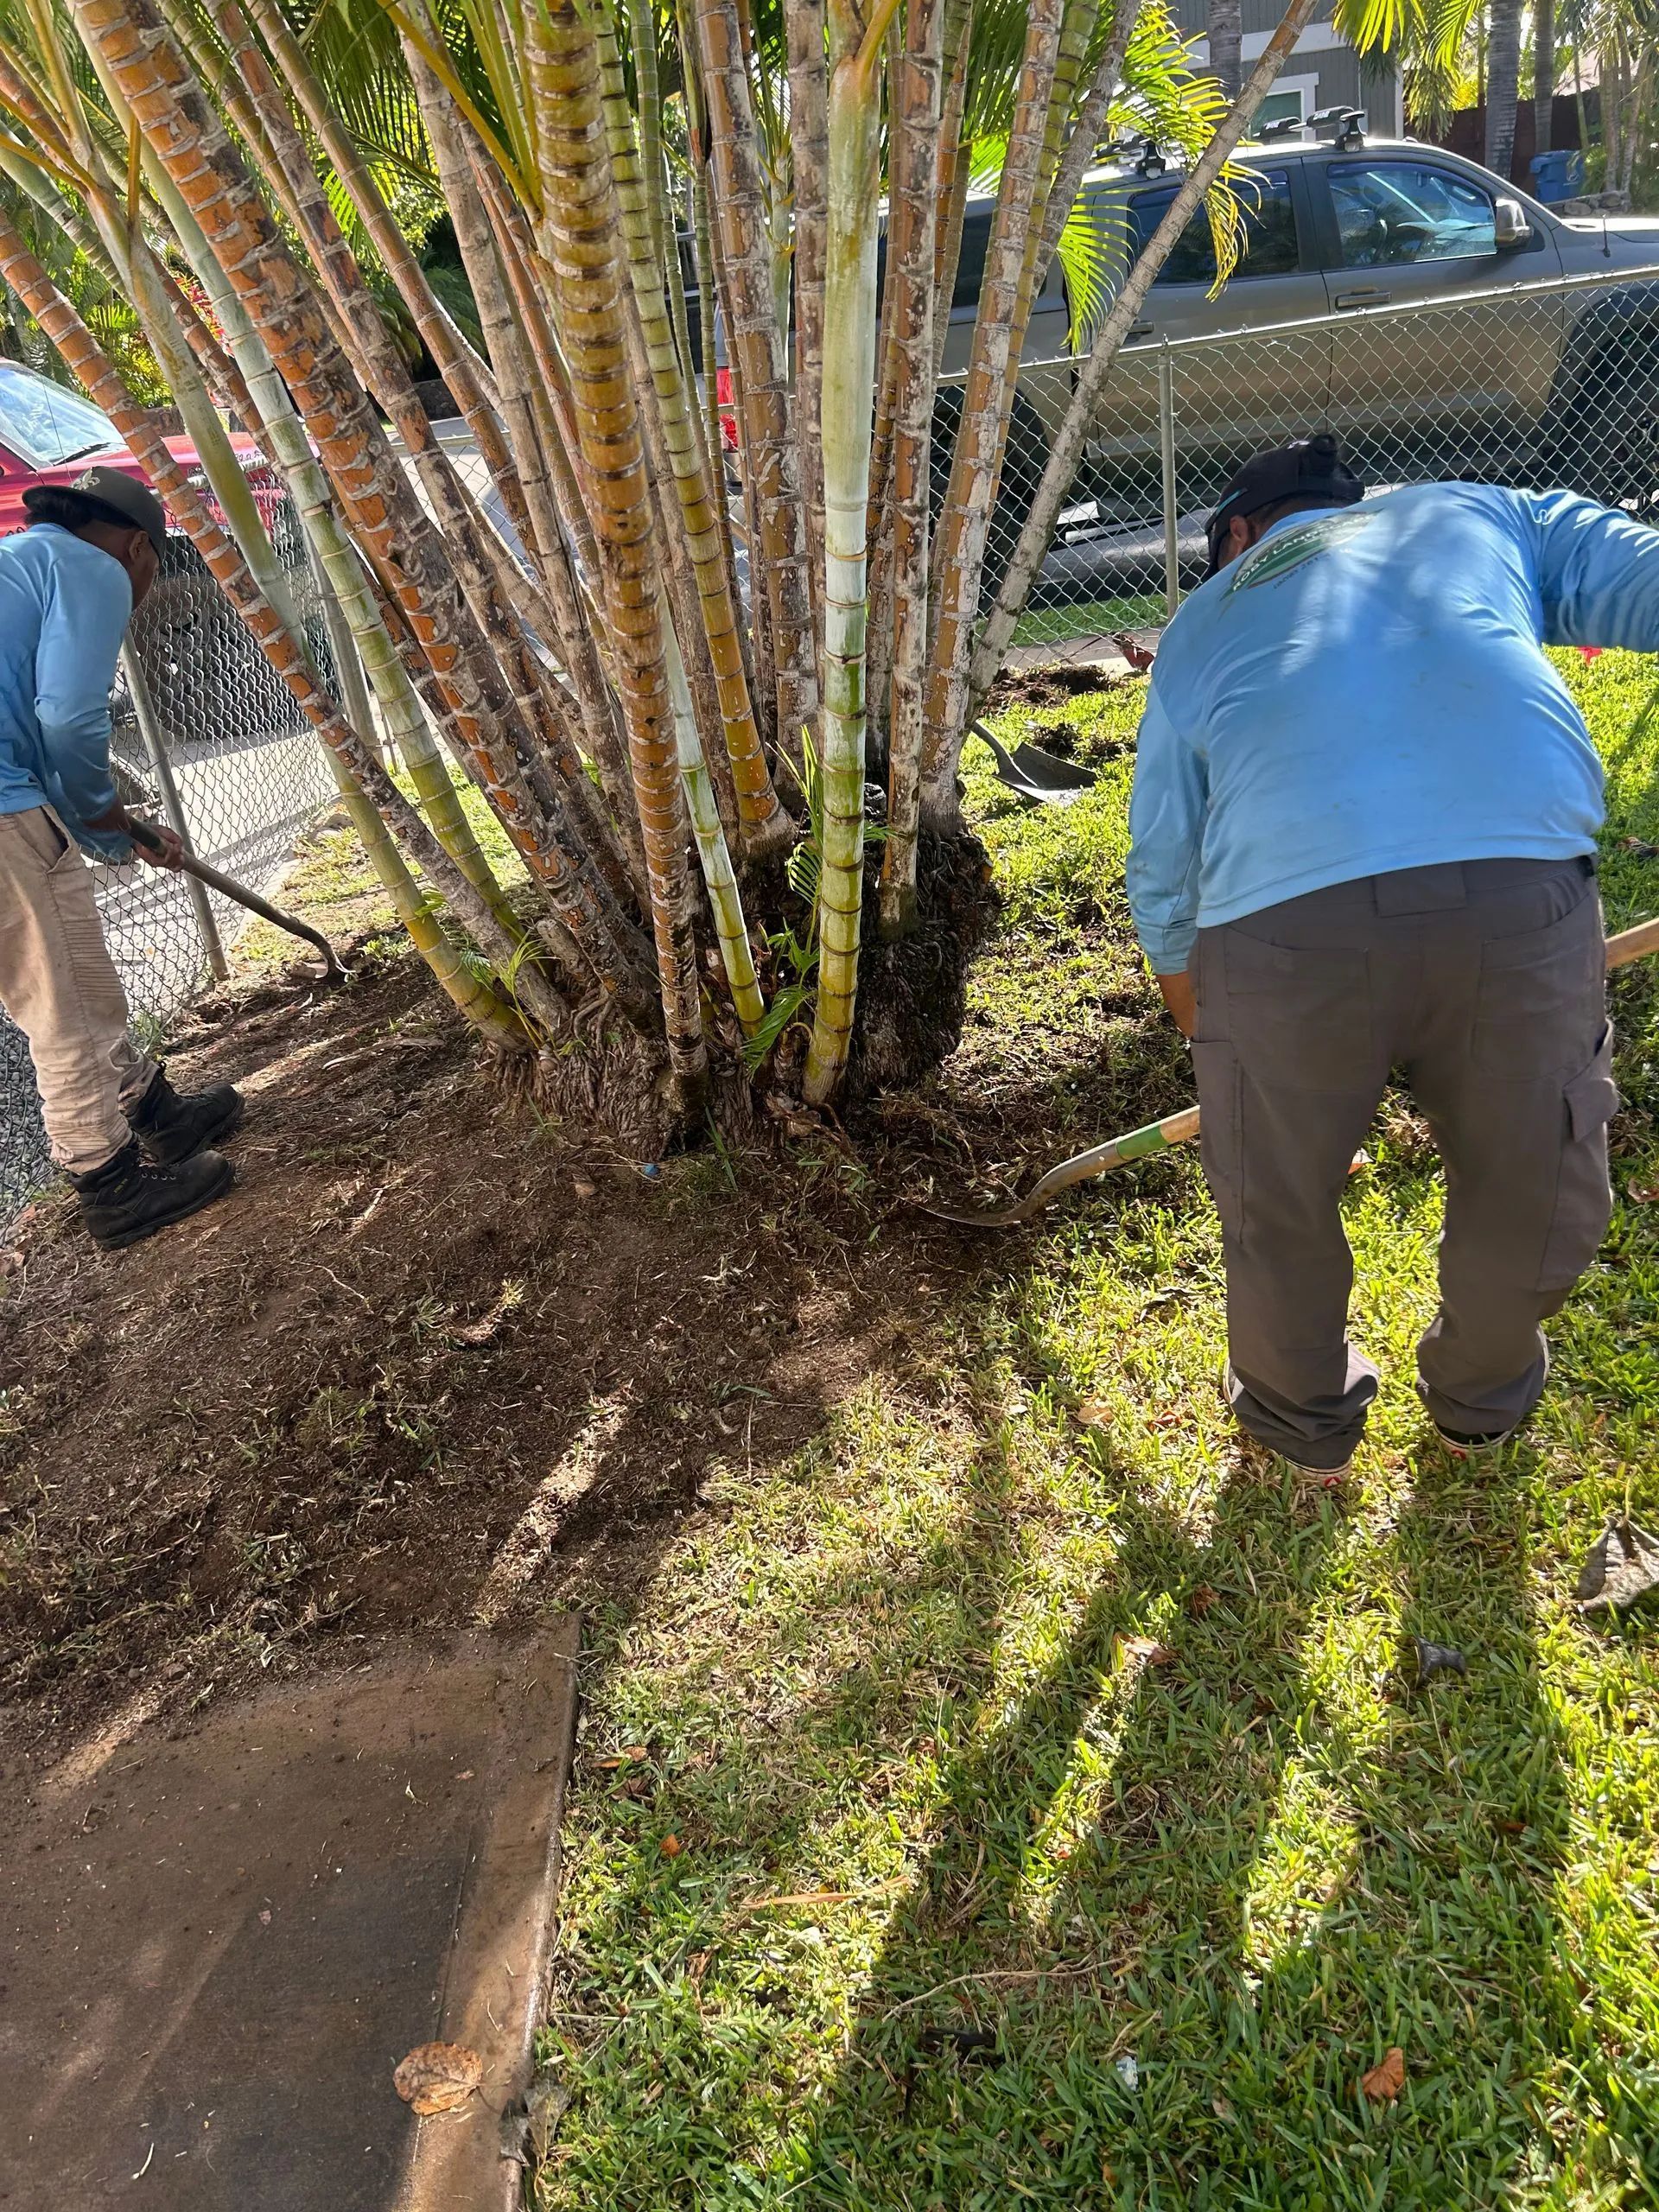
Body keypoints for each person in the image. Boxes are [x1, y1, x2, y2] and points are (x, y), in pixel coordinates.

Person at [1126, 435, 1659, 1474]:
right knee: (1530, 1173)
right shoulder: (1477, 509)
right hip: (1519, 892)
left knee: (1275, 1196)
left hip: (1279, 933)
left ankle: (1299, 1426)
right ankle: (1480, 1404)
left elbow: (1163, 845)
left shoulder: (1203, 623)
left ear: (1238, 534)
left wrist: (1191, 992)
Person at [0, 466, 242, 1250]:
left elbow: (36, 738)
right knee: (59, 1002)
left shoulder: (21, 562)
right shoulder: (92, 567)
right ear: (139, 547)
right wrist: (108, 824)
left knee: (80, 971)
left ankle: (154, 1112)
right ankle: (109, 1183)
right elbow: (68, 723)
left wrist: (111, 830)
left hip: (15, 800)